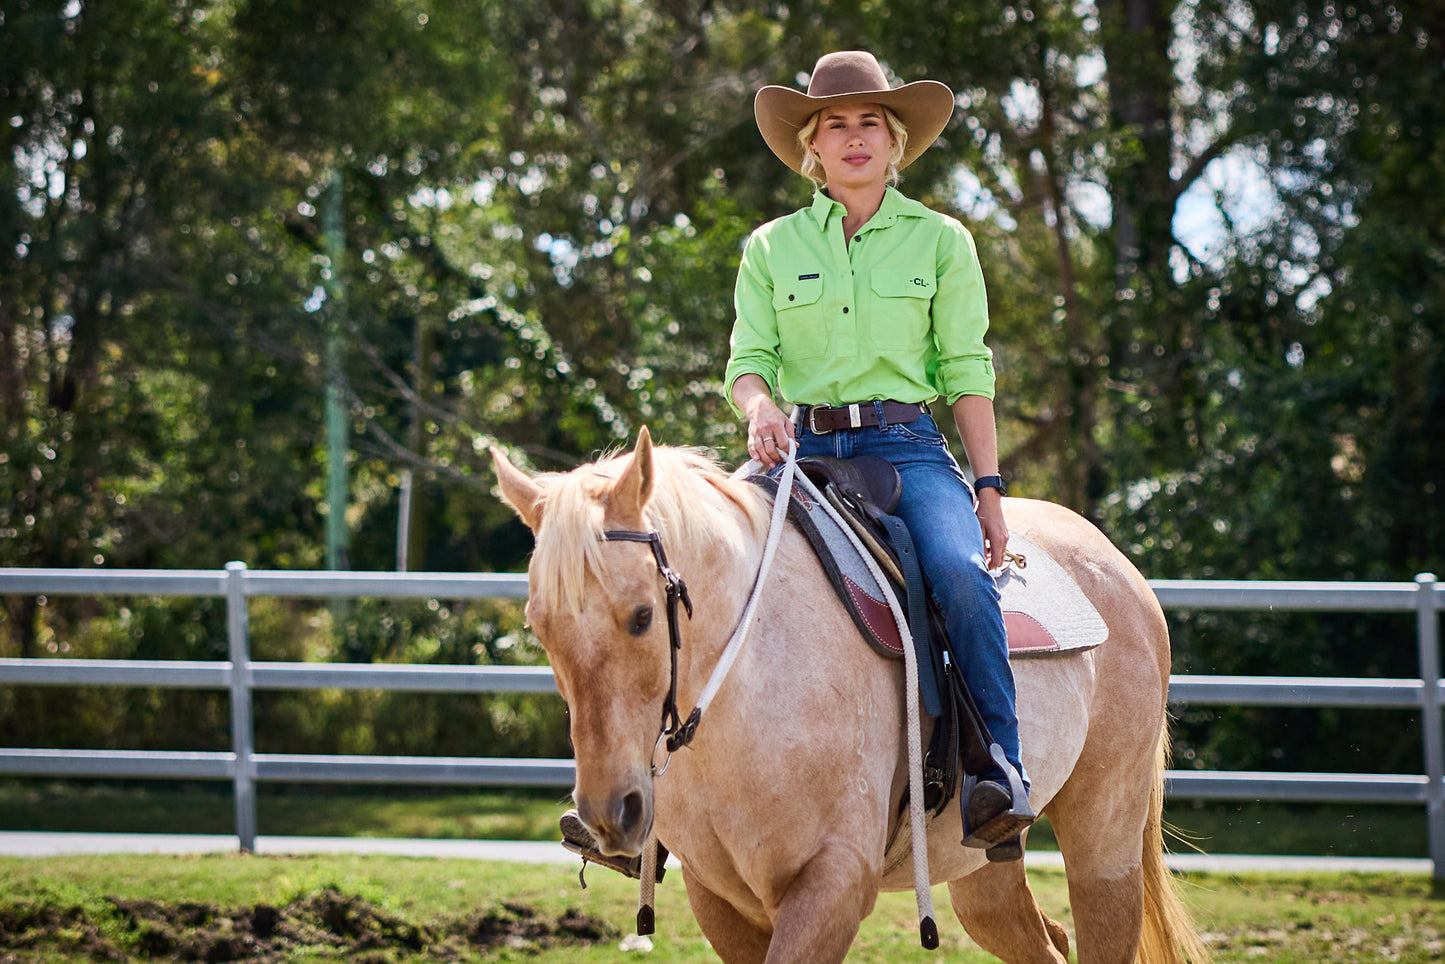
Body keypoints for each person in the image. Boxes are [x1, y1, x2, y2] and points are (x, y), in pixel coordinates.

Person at [723, 50, 1032, 857]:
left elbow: (967, 371)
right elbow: (746, 364)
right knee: (695, 566)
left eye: (869, 123)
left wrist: (989, 487)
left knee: (960, 575)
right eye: (835, 125)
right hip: (801, 447)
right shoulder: (769, 247)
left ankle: (996, 767)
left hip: (908, 449)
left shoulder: (940, 242)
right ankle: (657, 794)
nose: (853, 137)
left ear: (894, 144)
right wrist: (759, 409)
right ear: (812, 149)